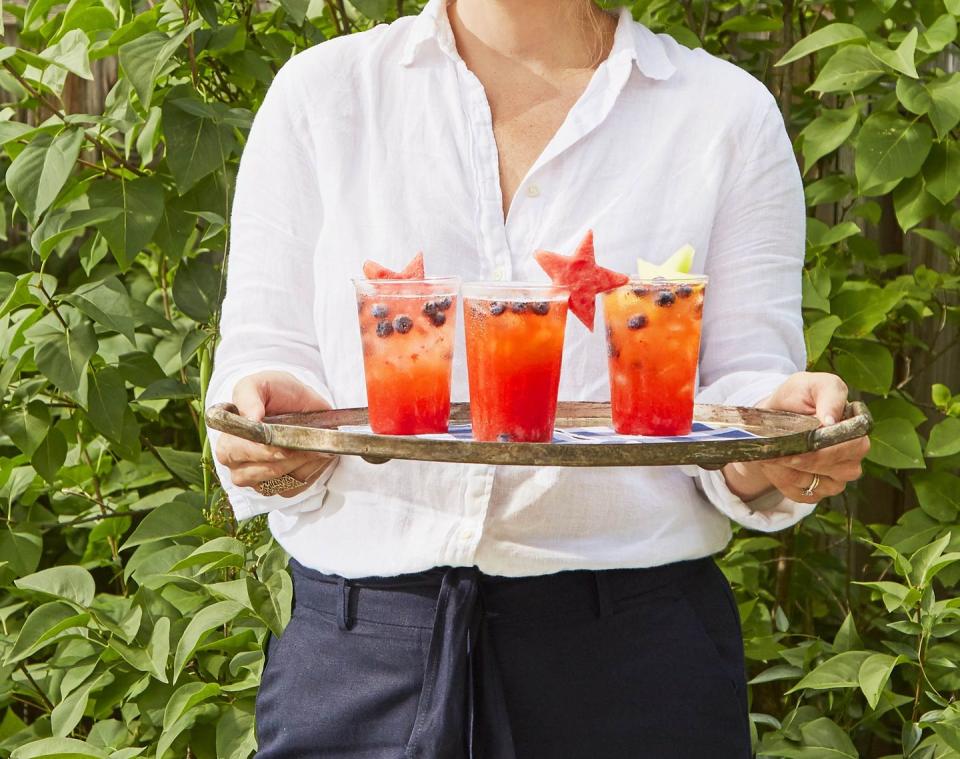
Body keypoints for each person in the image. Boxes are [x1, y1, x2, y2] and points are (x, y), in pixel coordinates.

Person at [203, 1, 871, 756]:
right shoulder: (322, 95)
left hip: (633, 663)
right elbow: (264, 356)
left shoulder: (723, 114)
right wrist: (271, 425)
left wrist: (777, 437)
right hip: (360, 658)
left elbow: (741, 395)